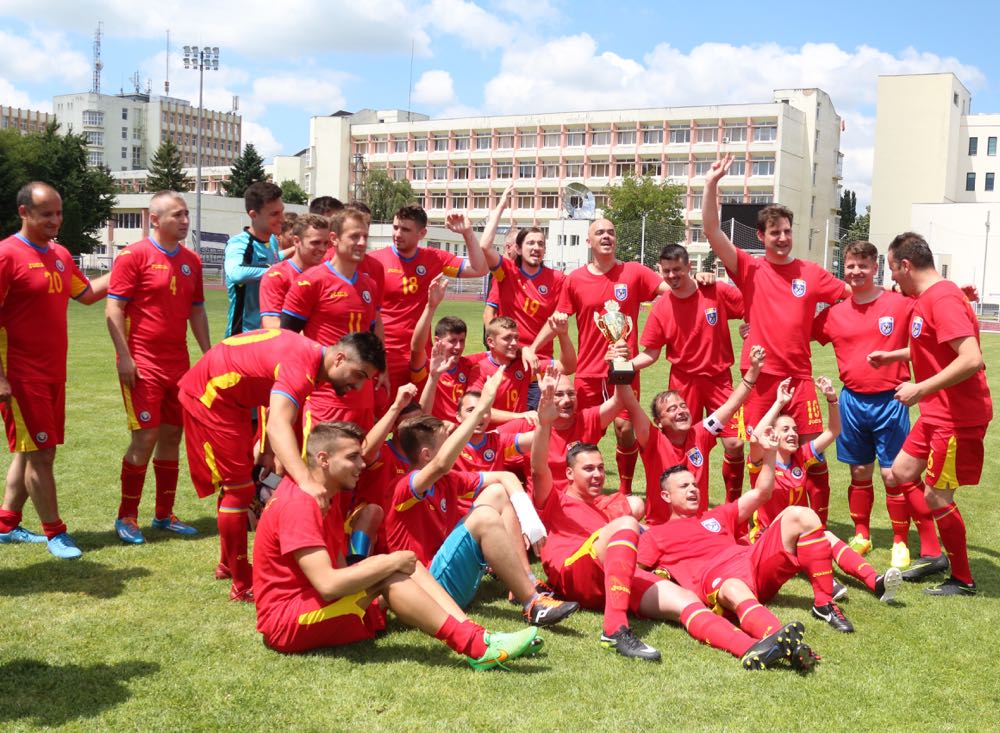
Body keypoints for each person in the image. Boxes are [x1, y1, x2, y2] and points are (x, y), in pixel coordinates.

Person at [531, 374, 809, 668]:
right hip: (575, 569)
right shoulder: (556, 498)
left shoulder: (614, 502)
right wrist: (544, 423)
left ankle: (753, 648)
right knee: (626, 524)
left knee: (686, 600)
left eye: (601, 468)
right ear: (570, 474)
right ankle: (614, 630)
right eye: (588, 469)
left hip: (612, 578)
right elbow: (538, 469)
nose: (598, 474)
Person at [252, 420, 542, 669]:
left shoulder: (325, 496)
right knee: (392, 570)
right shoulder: (299, 504)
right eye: (352, 457)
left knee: (404, 561)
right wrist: (387, 564)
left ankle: (480, 637)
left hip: (309, 604)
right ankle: (477, 648)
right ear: (324, 459)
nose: (362, 464)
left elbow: (338, 567)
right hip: (287, 621)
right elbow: (328, 584)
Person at [178, 329, 385, 602]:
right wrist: (306, 481)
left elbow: (271, 392)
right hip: (212, 398)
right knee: (239, 489)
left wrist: (265, 447)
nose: (358, 387)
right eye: (358, 375)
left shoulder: (309, 362)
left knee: (240, 485)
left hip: (235, 401)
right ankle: (241, 583)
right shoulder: (302, 365)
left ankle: (227, 565)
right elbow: (279, 422)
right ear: (339, 359)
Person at [703, 154, 848, 522]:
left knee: (810, 453)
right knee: (746, 450)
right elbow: (712, 233)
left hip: (799, 379)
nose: (782, 238)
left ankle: (815, 524)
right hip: (760, 381)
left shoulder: (811, 274)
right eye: (774, 232)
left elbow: (852, 296)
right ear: (762, 236)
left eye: (787, 231)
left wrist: (822, 325)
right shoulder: (750, 269)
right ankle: (741, 519)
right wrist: (711, 185)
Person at [639, 449, 900, 644]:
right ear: (665, 496)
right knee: (733, 586)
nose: (693, 489)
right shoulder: (654, 535)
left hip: (752, 559)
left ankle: (824, 603)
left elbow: (762, 492)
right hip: (717, 579)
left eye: (694, 484)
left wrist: (770, 451)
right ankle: (776, 636)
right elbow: (635, 573)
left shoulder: (716, 515)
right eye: (683, 486)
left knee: (801, 514)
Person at [385, 367, 580, 626]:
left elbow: (504, 479)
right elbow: (442, 464)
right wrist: (483, 404)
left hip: (449, 578)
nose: (456, 443)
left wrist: (544, 422)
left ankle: (525, 581)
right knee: (484, 517)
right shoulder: (406, 486)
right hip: (427, 590)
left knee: (498, 493)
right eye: (447, 440)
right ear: (426, 455)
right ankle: (533, 603)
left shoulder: (450, 478)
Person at [869, 232, 993, 596]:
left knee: (939, 497)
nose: (892, 278)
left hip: (957, 418)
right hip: (937, 414)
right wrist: (892, 357)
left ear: (906, 265)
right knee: (900, 473)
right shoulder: (930, 297)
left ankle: (963, 578)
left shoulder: (942, 299)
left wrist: (920, 388)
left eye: (892, 269)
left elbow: (971, 359)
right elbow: (931, 347)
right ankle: (936, 555)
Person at [811, 240, 939, 570]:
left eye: (863, 265)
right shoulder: (833, 314)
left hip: (891, 399)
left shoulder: (900, 303)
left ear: (875, 268)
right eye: (851, 266)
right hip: (852, 400)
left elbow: (931, 320)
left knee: (892, 474)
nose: (856, 271)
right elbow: (796, 332)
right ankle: (862, 534)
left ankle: (899, 540)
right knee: (859, 471)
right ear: (845, 269)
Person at [0, 182, 109, 559]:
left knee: (31, 451)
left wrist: (130, 264)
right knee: (42, 453)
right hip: (20, 375)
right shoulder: (6, 256)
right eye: (47, 213)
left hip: (53, 372)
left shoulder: (60, 254)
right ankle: (55, 532)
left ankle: (6, 524)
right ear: (24, 213)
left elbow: (86, 295)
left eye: (58, 213)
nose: (55, 220)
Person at [525, 218, 667, 494]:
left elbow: (671, 292)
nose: (606, 236)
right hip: (589, 372)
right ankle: (572, 491)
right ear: (588, 241)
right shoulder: (575, 279)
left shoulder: (635, 272)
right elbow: (558, 319)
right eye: (599, 232)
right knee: (578, 434)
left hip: (624, 369)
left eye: (611, 232)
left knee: (625, 431)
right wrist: (532, 347)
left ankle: (624, 493)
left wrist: (702, 284)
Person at [106, 191, 212, 544]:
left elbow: (197, 310)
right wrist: (124, 356)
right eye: (177, 215)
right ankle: (127, 516)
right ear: (155, 219)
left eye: (186, 215)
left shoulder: (191, 261)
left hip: (177, 364)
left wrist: (208, 353)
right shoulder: (132, 256)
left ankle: (164, 515)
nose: (184, 221)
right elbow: (114, 310)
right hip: (142, 363)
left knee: (172, 435)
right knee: (145, 436)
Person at [747, 377, 894, 630]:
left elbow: (833, 432)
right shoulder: (762, 462)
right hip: (767, 540)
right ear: (773, 435)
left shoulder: (801, 457)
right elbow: (756, 437)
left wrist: (832, 399)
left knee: (826, 536)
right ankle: (825, 586)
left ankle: (876, 582)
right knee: (819, 538)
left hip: (797, 536)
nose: (793, 434)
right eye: (786, 430)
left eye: (794, 429)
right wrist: (779, 403)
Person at [630, 243, 747, 503]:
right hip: (683, 382)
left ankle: (733, 506)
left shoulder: (714, 290)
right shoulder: (661, 307)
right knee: (681, 446)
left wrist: (750, 330)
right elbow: (651, 353)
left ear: (689, 267)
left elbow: (753, 307)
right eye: (666, 271)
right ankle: (683, 504)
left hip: (720, 380)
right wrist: (625, 366)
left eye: (677, 270)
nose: (672, 276)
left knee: (735, 444)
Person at [618, 345, 765, 524]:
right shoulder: (653, 439)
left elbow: (731, 405)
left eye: (682, 406)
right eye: (672, 409)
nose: (680, 411)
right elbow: (632, 405)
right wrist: (619, 365)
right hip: (660, 529)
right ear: (659, 422)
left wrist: (753, 370)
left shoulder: (701, 434)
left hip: (696, 529)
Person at [281, 209, 380, 430]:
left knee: (359, 461)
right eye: (354, 236)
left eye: (365, 236)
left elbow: (372, 336)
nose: (362, 242)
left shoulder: (368, 285)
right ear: (334, 239)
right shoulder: (311, 281)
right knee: (322, 462)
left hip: (362, 397)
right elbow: (286, 339)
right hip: (326, 395)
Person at [370, 206, 487, 392]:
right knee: (384, 413)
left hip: (421, 357)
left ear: (422, 233)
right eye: (395, 227)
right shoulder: (375, 261)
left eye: (405, 229)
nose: (398, 234)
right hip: (385, 355)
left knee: (419, 415)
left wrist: (467, 233)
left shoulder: (434, 259)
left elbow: (479, 269)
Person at [479, 185, 567, 407]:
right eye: (530, 243)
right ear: (518, 248)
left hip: (540, 365)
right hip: (508, 361)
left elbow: (555, 321)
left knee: (539, 426)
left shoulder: (557, 278)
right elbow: (484, 246)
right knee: (502, 425)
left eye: (540, 244)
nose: (536, 247)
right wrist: (501, 206)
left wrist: (531, 350)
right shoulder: (506, 273)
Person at [469, 314, 576, 427]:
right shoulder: (480, 370)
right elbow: (475, 410)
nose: (514, 343)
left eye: (516, 338)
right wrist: (519, 416)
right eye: (507, 338)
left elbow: (567, 366)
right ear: (491, 342)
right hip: (493, 437)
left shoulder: (524, 364)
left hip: (520, 435)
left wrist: (563, 334)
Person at [224, 181, 285, 336]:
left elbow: (275, 262)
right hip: (243, 337)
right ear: (253, 215)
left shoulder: (271, 240)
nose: (282, 219)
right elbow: (235, 273)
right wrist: (275, 271)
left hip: (269, 334)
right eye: (274, 214)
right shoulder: (240, 243)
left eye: (282, 211)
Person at [259, 214, 331, 329]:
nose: (323, 249)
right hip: (291, 346)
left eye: (326, 243)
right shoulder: (277, 276)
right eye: (315, 243)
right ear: (296, 241)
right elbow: (271, 325)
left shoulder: (330, 275)